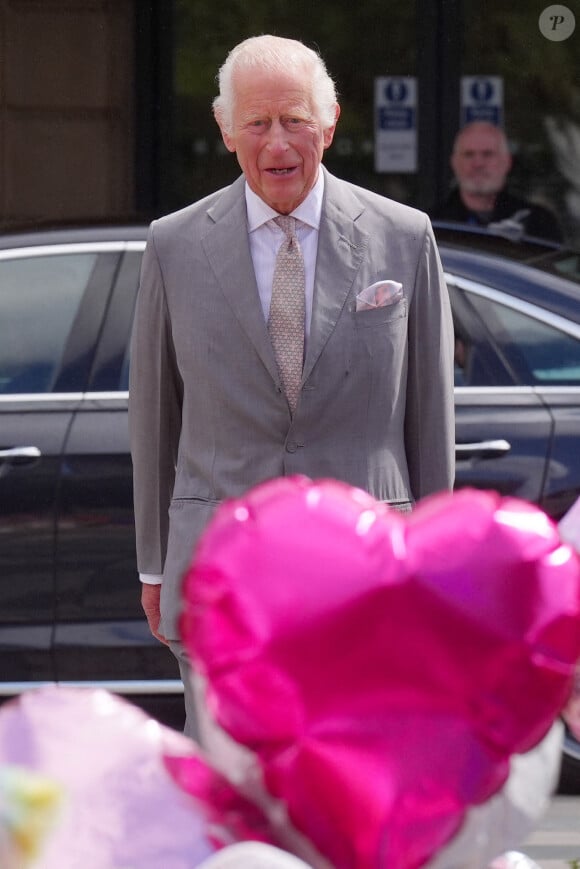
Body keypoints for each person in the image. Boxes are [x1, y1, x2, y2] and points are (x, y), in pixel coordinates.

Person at [128, 34, 455, 737]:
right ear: (225, 131)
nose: (278, 141)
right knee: (238, 786)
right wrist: (155, 562)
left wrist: (437, 565)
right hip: (220, 575)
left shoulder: (403, 236)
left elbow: (430, 413)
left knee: (354, 791)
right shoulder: (174, 245)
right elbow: (156, 415)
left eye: (295, 119)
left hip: (368, 573)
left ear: (329, 125)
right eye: (257, 122)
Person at [434, 121, 563, 242]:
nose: (478, 163)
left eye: (487, 154)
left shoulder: (537, 223)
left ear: (507, 162)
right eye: (469, 154)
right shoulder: (434, 225)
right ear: (454, 163)